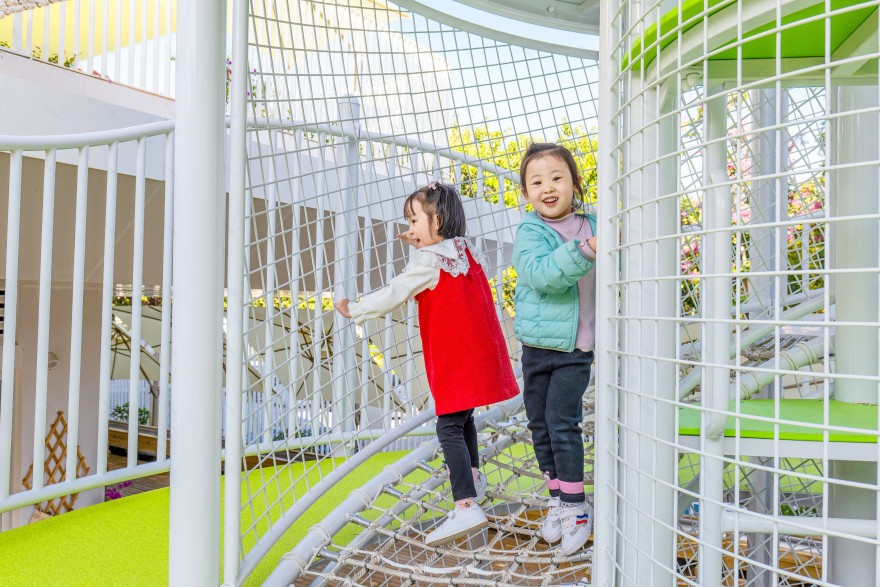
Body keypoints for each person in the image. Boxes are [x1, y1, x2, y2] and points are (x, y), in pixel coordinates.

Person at [334, 181, 519, 547]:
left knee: (448, 426)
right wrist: (422, 242)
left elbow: (396, 292)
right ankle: (474, 477)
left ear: (440, 219)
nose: (411, 228)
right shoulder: (466, 252)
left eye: (415, 220)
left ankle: (465, 503)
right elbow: (434, 263)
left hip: (454, 356)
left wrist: (355, 309)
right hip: (479, 352)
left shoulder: (429, 261)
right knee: (461, 416)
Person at [512, 143, 597, 556]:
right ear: (526, 193)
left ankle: (576, 507)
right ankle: (557, 497)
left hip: (574, 348)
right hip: (536, 346)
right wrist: (584, 251)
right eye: (537, 181)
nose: (548, 187)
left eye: (557, 178)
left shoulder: (595, 224)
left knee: (562, 423)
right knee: (540, 426)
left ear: (575, 183)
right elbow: (541, 275)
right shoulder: (530, 231)